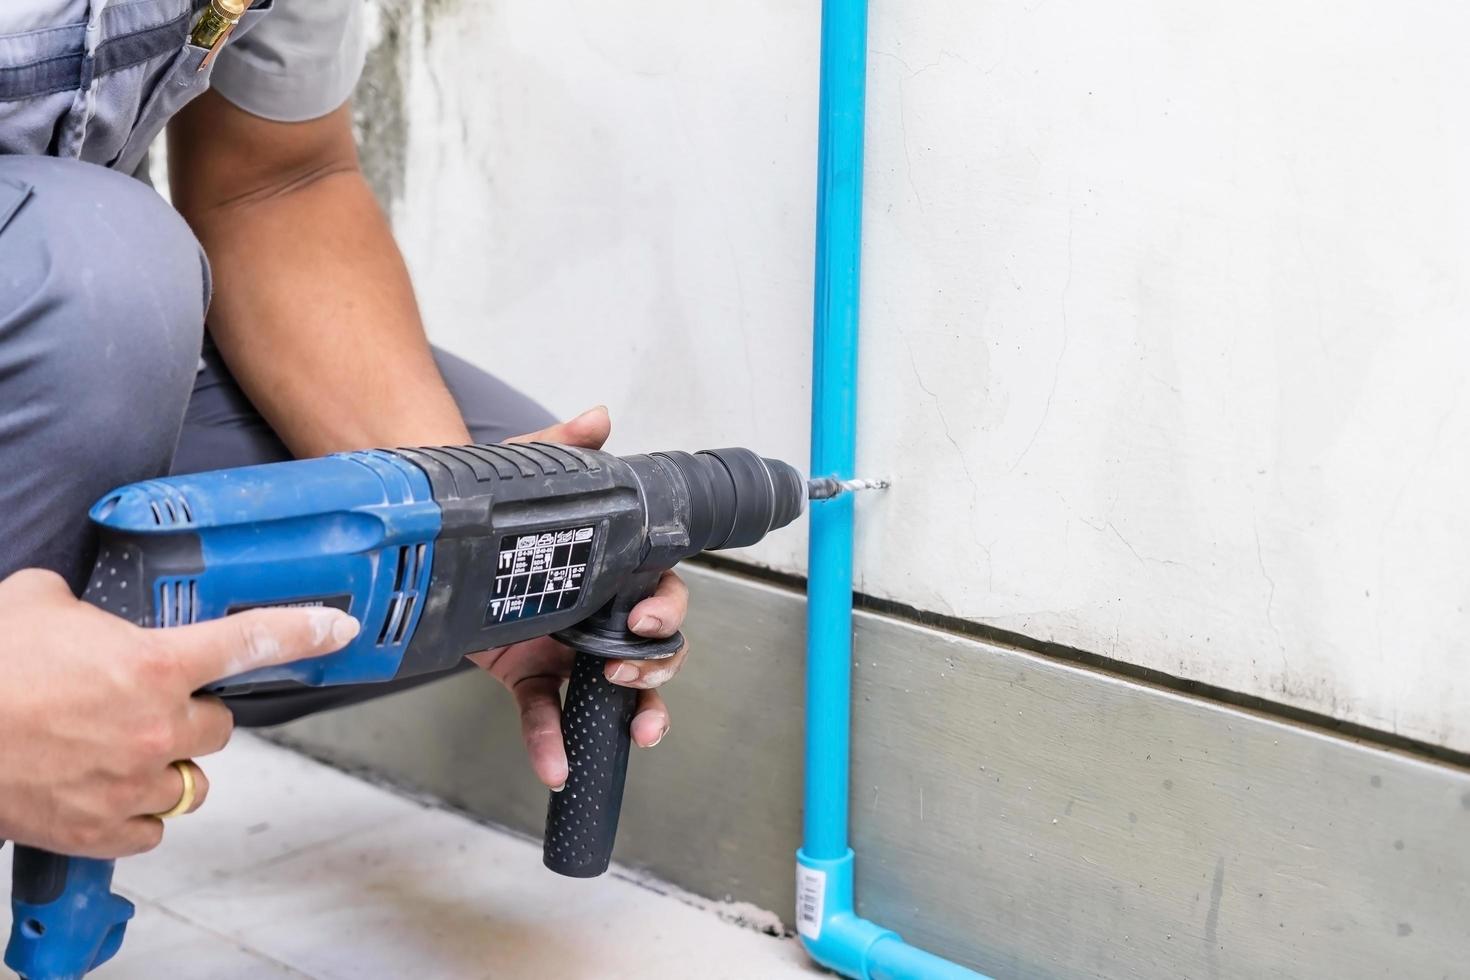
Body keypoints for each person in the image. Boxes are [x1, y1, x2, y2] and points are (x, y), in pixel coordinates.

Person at [0, 1, 690, 860]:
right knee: (100, 267)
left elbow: (273, 182)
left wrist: (472, 543)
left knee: (470, 521)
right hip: (71, 286)